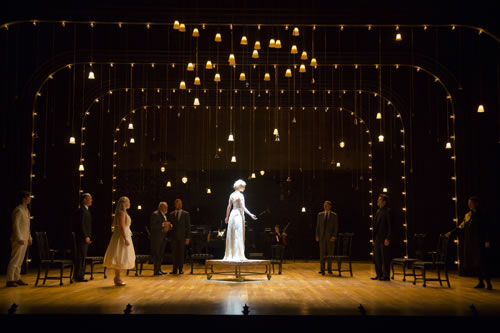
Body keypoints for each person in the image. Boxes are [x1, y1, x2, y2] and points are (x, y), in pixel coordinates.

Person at [445, 197, 493, 290]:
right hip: (471, 243)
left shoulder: (482, 214)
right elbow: (461, 227)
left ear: (476, 203)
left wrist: (487, 240)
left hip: (480, 243)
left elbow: (487, 228)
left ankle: (488, 283)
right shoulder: (468, 215)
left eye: (471, 203)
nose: (469, 204)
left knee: (483, 263)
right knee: (476, 264)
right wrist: (451, 232)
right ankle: (480, 282)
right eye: (468, 203)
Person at [103, 196, 136, 286]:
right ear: (124, 203)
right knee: (119, 256)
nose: (129, 203)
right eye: (128, 202)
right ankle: (117, 277)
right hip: (121, 237)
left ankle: (118, 277)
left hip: (125, 235)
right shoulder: (121, 213)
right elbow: (121, 226)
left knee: (121, 257)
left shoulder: (123, 213)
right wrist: (125, 238)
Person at [223, 180, 257, 261]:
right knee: (238, 234)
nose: (244, 188)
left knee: (232, 234)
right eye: (243, 186)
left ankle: (231, 254)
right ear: (240, 186)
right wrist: (251, 214)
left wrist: (226, 217)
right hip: (238, 215)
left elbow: (229, 207)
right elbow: (243, 207)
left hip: (232, 214)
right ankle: (239, 255)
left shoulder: (231, 194)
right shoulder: (241, 195)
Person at [6, 191, 32, 287]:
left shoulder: (26, 210)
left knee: (20, 260)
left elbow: (27, 226)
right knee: (15, 259)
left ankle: (17, 277)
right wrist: (19, 237)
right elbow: (16, 225)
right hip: (19, 238)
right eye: (28, 197)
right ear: (23, 198)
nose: (30, 199)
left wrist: (29, 237)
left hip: (25, 238)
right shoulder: (18, 210)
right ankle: (10, 279)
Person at [371, 194, 392, 281]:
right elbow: (375, 226)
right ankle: (379, 274)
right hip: (377, 238)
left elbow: (390, 226)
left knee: (385, 257)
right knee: (377, 257)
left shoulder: (388, 211)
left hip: (384, 238)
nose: (377, 201)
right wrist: (373, 238)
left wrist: (388, 238)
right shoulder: (378, 211)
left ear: (384, 201)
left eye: (379, 200)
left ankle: (386, 275)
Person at [73, 193, 93, 282]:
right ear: (84, 200)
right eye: (90, 198)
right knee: (80, 257)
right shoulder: (81, 210)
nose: (91, 200)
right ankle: (78, 276)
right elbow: (81, 225)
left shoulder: (86, 210)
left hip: (86, 237)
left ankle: (80, 275)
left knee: (83, 257)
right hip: (81, 238)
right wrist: (85, 236)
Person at [315, 200, 339, 275]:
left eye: (327, 205)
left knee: (330, 254)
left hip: (330, 237)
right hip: (322, 237)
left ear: (330, 206)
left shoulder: (334, 215)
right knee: (322, 254)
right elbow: (318, 226)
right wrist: (317, 235)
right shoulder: (320, 215)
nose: (325, 206)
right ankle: (322, 269)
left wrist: (334, 236)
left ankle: (329, 269)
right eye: (324, 205)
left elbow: (336, 227)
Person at [168, 199, 191, 274]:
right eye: (178, 204)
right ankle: (174, 269)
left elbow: (188, 226)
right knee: (174, 254)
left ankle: (180, 269)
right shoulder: (171, 214)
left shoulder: (186, 214)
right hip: (173, 237)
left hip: (182, 237)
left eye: (180, 204)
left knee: (181, 253)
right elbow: (169, 226)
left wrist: (188, 237)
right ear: (175, 205)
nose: (179, 205)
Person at [150, 202, 171, 275]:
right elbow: (153, 225)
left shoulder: (164, 215)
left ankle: (159, 269)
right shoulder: (155, 214)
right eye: (165, 207)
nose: (166, 208)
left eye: (167, 207)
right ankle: (156, 270)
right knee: (157, 254)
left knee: (161, 254)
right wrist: (163, 224)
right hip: (157, 238)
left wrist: (169, 226)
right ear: (160, 207)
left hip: (163, 237)